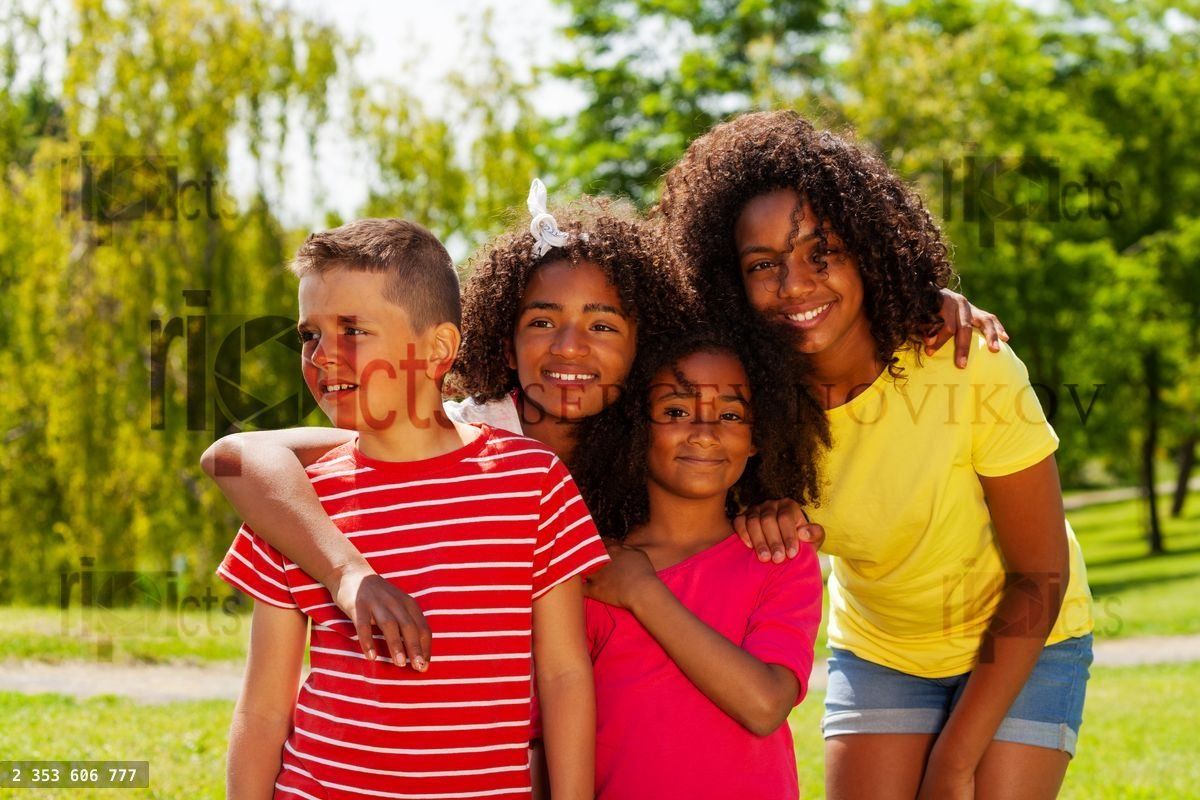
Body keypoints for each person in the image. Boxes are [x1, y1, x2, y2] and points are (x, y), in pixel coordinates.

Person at [659, 110, 1095, 800]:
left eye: (820, 253)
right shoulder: (745, 398)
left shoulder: (964, 362)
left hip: (1027, 637)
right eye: (762, 265)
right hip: (884, 647)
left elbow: (1040, 576)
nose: (795, 284)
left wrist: (953, 764)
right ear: (731, 282)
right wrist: (762, 511)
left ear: (867, 247)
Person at [213, 217, 607, 800]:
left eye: (352, 330)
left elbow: (563, 676)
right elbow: (265, 709)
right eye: (309, 334)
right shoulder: (297, 505)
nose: (322, 356)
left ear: (438, 349)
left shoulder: (533, 483)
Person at [570, 326, 825, 799]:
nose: (705, 433)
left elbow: (765, 704)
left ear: (756, 438)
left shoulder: (781, 556)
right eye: (676, 411)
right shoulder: (595, 570)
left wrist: (643, 593)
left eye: (729, 414)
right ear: (636, 429)